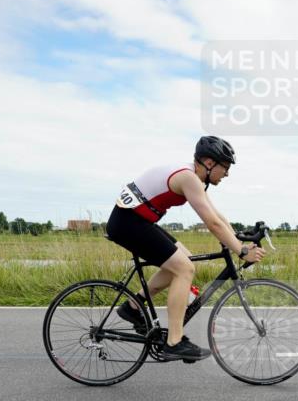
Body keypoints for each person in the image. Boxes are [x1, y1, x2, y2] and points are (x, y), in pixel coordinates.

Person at [105, 136, 266, 361]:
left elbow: (216, 214)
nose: (227, 173)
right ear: (209, 163)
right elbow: (212, 223)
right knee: (184, 269)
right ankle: (174, 342)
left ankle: (133, 306)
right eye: (225, 167)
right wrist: (241, 250)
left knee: (185, 258)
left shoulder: (194, 178)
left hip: (136, 220)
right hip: (128, 223)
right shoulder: (188, 178)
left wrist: (238, 236)